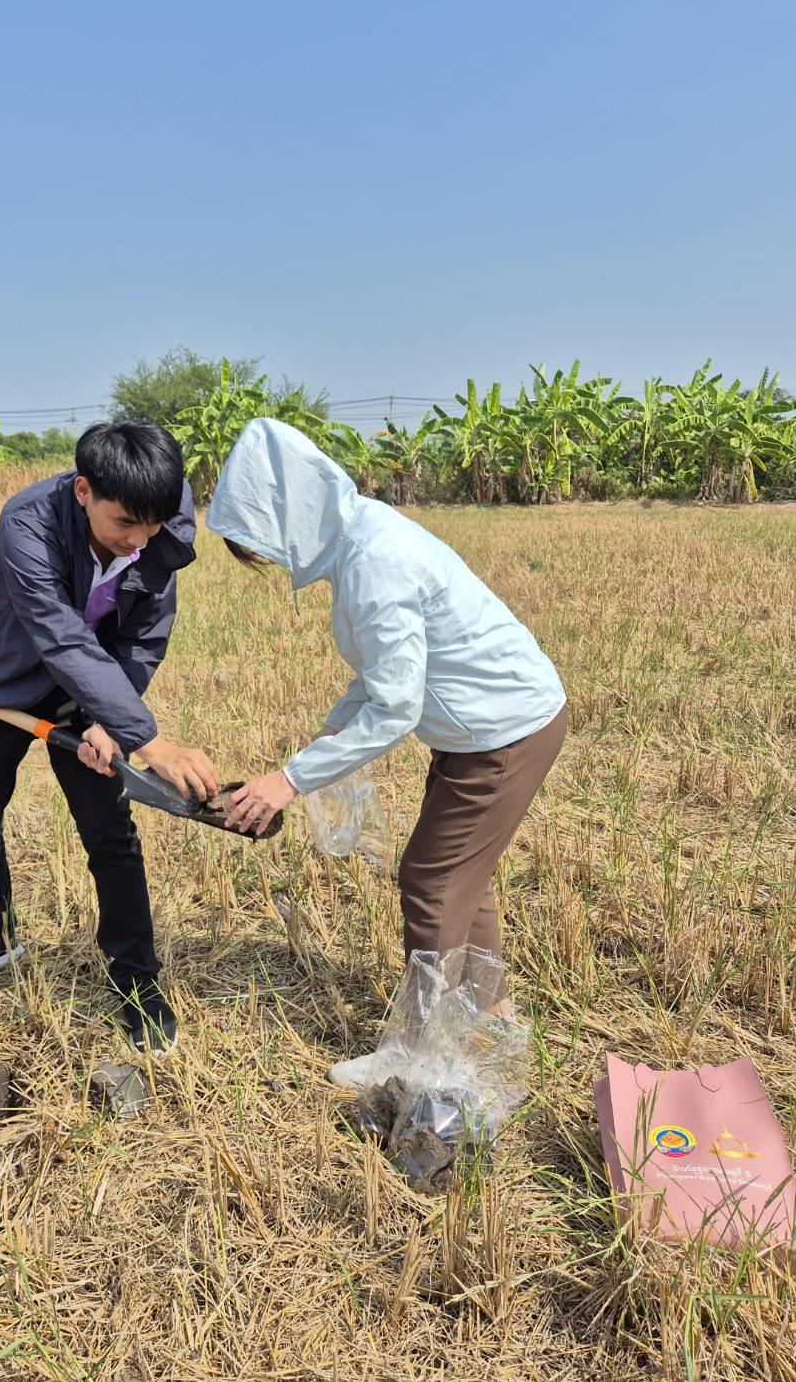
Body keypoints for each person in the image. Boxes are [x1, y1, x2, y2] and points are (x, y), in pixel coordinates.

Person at [207, 418, 567, 1088]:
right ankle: (492, 1011)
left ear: (290, 515)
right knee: (461, 875)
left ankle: (421, 1053)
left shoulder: (374, 559)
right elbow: (379, 674)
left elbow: (397, 705)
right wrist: (326, 739)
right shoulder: (359, 537)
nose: (270, 560)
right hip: (483, 727)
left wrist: (288, 781)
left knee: (430, 881)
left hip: (504, 732)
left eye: (262, 543)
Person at [0, 421, 219, 1054]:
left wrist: (109, 718)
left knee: (111, 832)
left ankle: (136, 981)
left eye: (152, 525)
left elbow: (143, 634)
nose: (139, 541)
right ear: (83, 492)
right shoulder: (28, 525)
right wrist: (146, 741)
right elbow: (56, 633)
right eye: (125, 524)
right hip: (1, 678)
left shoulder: (159, 523)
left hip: (95, 685)